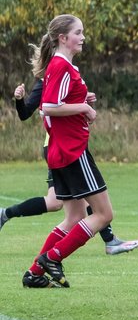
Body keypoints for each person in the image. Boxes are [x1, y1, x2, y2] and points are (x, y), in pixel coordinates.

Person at [20, 14, 120, 288]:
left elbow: (57, 103)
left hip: (61, 151)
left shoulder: (59, 66)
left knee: (74, 216)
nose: (83, 37)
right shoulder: (61, 66)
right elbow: (49, 106)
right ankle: (52, 258)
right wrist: (85, 108)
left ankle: (34, 274)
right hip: (73, 152)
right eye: (78, 32)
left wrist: (80, 100)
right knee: (103, 215)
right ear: (63, 38)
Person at [2, 79, 138, 255]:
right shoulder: (46, 81)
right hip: (58, 147)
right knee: (75, 202)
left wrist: (83, 102)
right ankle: (107, 242)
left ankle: (40, 260)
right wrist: (19, 99)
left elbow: (68, 109)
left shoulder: (68, 76)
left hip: (69, 145)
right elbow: (28, 112)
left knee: (63, 204)